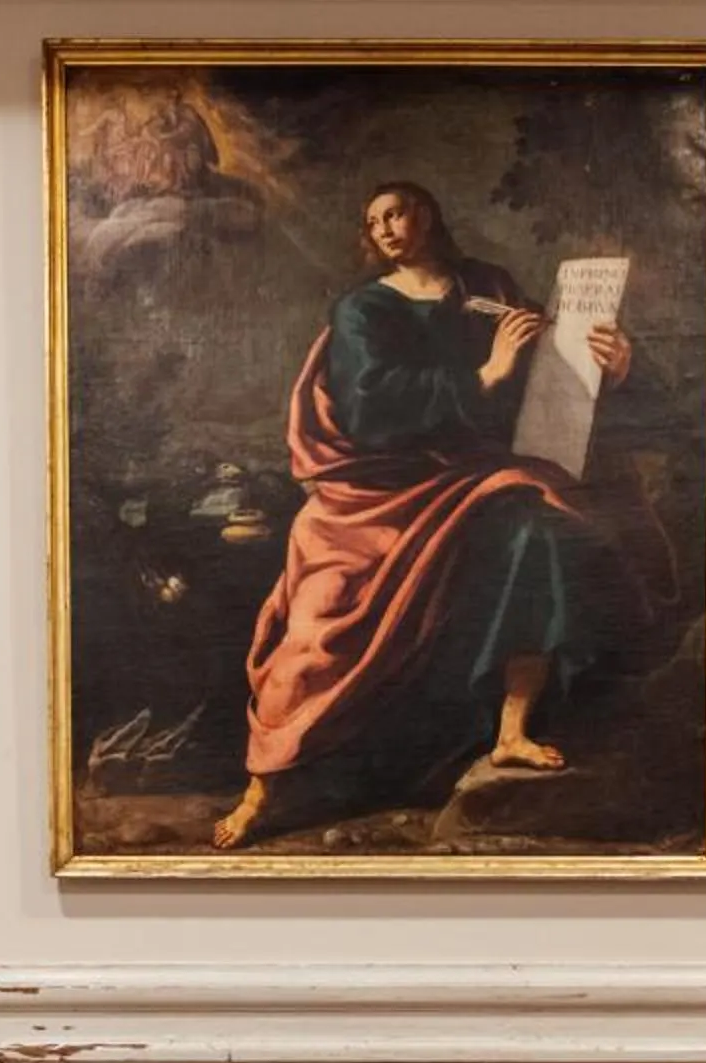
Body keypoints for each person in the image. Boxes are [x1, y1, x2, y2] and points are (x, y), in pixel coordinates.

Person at [212, 181, 636, 849]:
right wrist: (484, 375)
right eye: (372, 218)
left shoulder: (486, 284)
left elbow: (541, 380)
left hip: (473, 472)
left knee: (543, 533)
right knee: (322, 619)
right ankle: (262, 788)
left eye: (396, 212)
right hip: (375, 490)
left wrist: (604, 365)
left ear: (428, 215)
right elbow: (368, 412)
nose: (384, 227)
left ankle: (512, 729)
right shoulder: (362, 310)